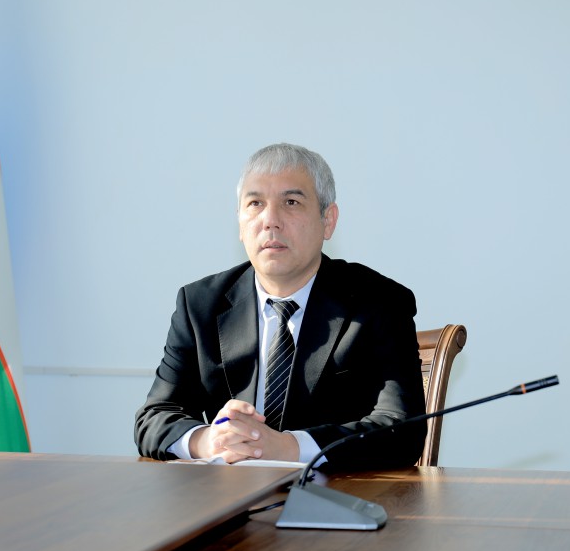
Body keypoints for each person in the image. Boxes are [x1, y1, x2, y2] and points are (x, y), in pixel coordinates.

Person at [134, 143, 426, 469]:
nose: (270, 220)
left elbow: (402, 428)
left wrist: (289, 447)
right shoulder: (200, 305)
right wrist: (207, 441)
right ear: (240, 223)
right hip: (229, 494)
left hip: (335, 493)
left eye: (291, 202)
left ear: (328, 220)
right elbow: (154, 417)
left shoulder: (379, 303)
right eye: (255, 203)